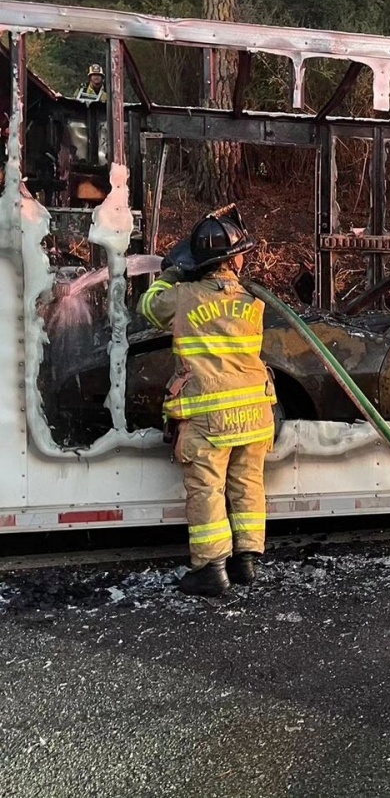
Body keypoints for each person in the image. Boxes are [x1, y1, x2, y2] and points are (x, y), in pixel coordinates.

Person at [139, 204, 276, 597]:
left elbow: (148, 307)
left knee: (207, 489)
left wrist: (172, 274)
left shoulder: (183, 297)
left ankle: (212, 569)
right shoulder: (253, 300)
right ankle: (246, 561)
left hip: (209, 415)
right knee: (247, 484)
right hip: (256, 411)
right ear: (234, 260)